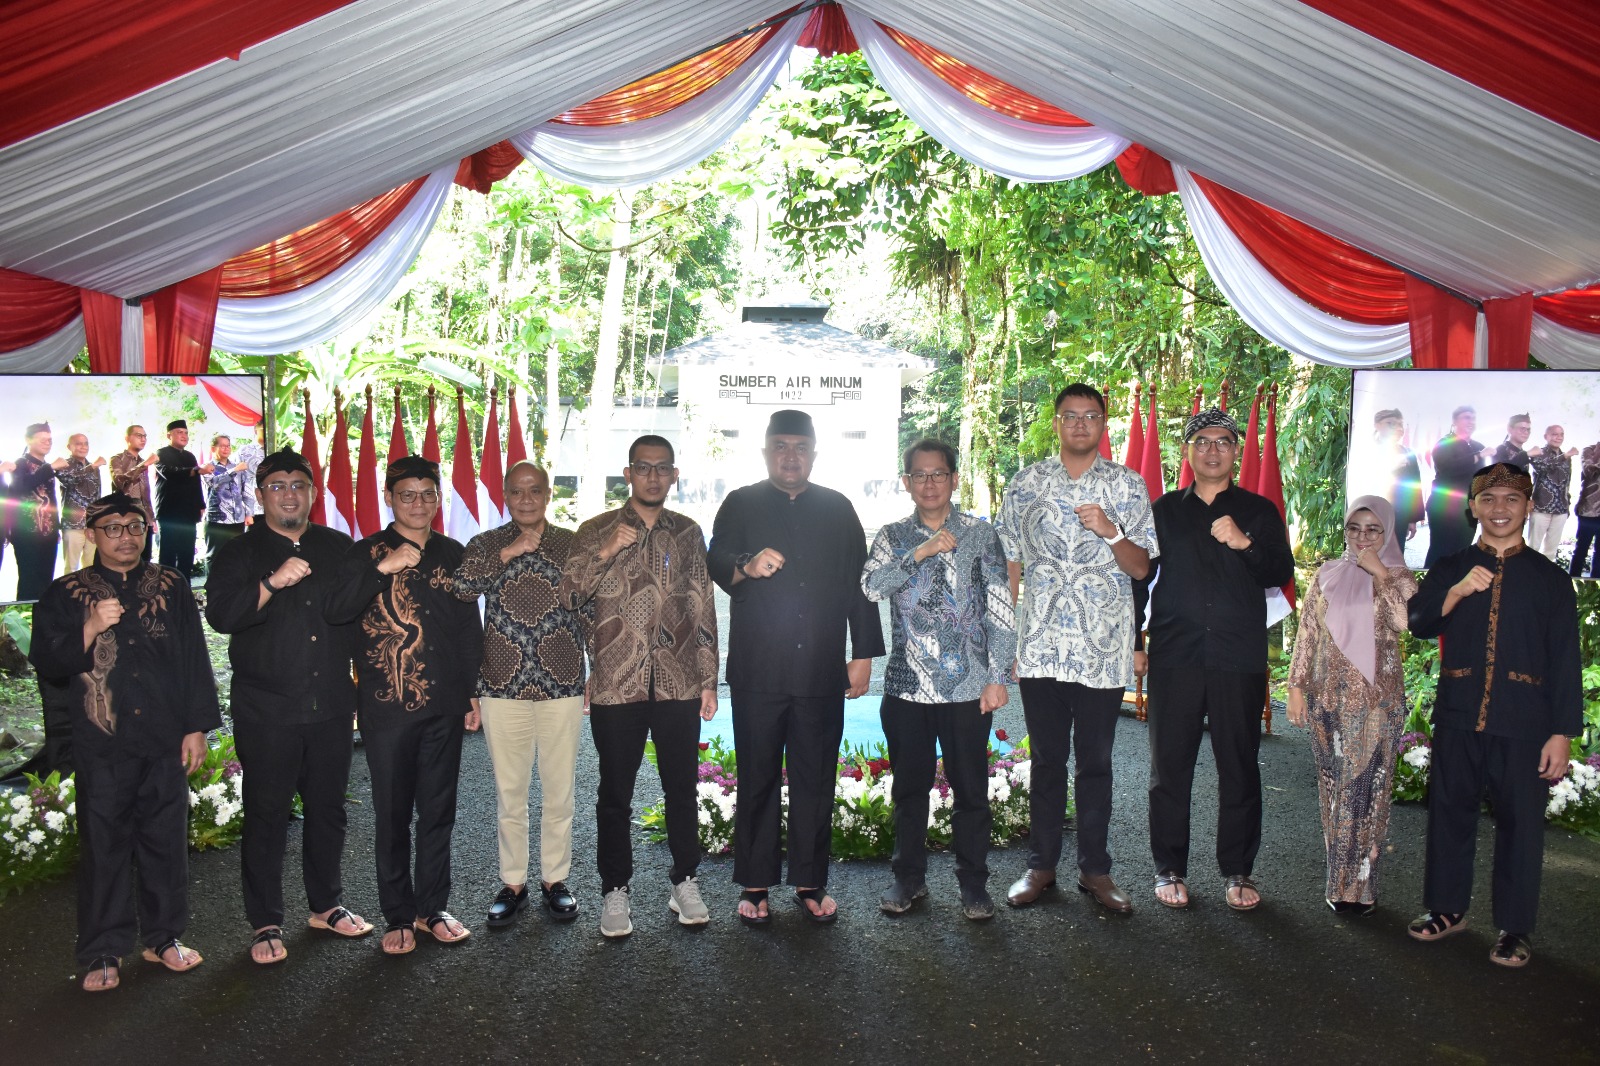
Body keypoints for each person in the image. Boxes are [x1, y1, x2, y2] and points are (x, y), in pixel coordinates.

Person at [29, 493, 221, 992]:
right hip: (103, 742)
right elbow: (48, 663)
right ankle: (103, 948)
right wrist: (92, 625)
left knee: (166, 840)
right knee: (104, 845)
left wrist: (196, 727)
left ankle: (164, 937)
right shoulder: (65, 593)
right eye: (112, 528)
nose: (126, 537)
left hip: (163, 737)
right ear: (91, 534)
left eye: (134, 526)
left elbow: (193, 658)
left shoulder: (171, 585)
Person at [707, 409, 885, 925]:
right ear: (765, 452)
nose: (791, 456)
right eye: (781, 446)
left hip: (820, 669)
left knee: (815, 776)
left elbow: (860, 584)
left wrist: (862, 655)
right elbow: (715, 557)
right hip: (758, 669)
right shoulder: (740, 502)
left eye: (800, 447)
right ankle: (756, 881)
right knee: (757, 774)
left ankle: (810, 880)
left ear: (814, 453)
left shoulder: (838, 508)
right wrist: (745, 565)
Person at [1405, 463, 1581, 969]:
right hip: (1459, 712)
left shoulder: (1551, 580)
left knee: (1521, 824)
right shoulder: (1450, 566)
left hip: (1525, 721)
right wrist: (1457, 590)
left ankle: (1514, 927)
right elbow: (1418, 622)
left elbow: (1565, 660)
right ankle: (1446, 909)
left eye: (1511, 499)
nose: (1499, 508)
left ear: (1529, 507)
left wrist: (1562, 732)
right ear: (1472, 507)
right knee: (1449, 812)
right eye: (1489, 499)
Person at [205, 448, 372, 966]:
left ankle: (326, 905)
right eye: (277, 486)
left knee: (328, 810)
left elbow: (360, 619)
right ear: (260, 495)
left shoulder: (338, 547)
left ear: (313, 493)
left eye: (298, 485)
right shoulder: (238, 552)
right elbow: (222, 617)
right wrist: (271, 583)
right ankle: (265, 921)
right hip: (266, 709)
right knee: (267, 814)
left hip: (330, 705)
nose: (289, 495)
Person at [996, 385, 1155, 916]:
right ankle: (1040, 867)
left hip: (1101, 648)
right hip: (1040, 644)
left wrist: (1111, 532)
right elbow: (1009, 562)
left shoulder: (1127, 485)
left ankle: (1095, 870)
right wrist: (1009, 639)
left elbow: (1141, 568)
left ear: (1104, 423)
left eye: (1090, 415)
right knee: (1046, 760)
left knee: (1096, 764)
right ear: (1056, 422)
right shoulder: (1026, 483)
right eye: (1070, 415)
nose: (1080, 424)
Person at [1135, 408, 1294, 911]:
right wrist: (1135, 641)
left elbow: (1280, 571)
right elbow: (1138, 579)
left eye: (1223, 441)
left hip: (1236, 656)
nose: (1212, 450)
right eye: (1201, 441)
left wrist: (1244, 543)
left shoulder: (1259, 510)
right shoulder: (1163, 511)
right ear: (1187, 451)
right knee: (1169, 767)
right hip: (1175, 654)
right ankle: (1169, 868)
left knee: (1239, 765)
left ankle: (1238, 869)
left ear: (1236, 451)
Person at [559, 436, 719, 937]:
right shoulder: (594, 530)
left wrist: (709, 680)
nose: (653, 477)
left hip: (679, 682)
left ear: (674, 475)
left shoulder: (688, 532)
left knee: (681, 788)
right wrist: (607, 551)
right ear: (627, 474)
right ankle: (615, 889)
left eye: (662, 468)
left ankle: (685, 881)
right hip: (615, 684)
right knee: (615, 792)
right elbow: (569, 597)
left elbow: (703, 606)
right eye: (643, 468)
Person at [327, 455, 483, 955]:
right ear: (389, 498)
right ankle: (397, 914)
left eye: (428, 494)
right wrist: (383, 569)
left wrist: (472, 693)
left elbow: (467, 628)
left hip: (445, 704)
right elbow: (336, 609)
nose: (419, 504)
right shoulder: (364, 552)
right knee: (392, 814)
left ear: (438, 499)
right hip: (387, 705)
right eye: (407, 495)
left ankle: (431, 908)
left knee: (438, 810)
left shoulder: (453, 553)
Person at [863, 438, 1015, 920]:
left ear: (953, 478)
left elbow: (1000, 606)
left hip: (968, 688)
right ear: (906, 482)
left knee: (971, 792)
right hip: (906, 686)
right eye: (920, 475)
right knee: (909, 791)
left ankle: (974, 885)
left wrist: (998, 676)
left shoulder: (980, 534)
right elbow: (870, 587)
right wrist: (920, 552)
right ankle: (908, 879)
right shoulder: (891, 536)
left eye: (939, 474)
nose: (929, 483)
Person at [452, 461, 587, 928]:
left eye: (535, 490)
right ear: (505, 496)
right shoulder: (485, 543)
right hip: (501, 683)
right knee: (510, 793)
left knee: (559, 791)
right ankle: (513, 883)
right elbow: (461, 590)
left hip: (561, 683)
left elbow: (590, 608)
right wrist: (507, 554)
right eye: (516, 492)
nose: (526, 499)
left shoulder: (573, 544)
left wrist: (594, 673)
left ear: (548, 494)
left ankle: (555, 880)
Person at [1285, 496, 1417, 914]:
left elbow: (1406, 622)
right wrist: (1295, 687)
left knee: (1365, 792)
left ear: (1387, 532)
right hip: (1327, 699)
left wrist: (1379, 572)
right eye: (1354, 528)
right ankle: (1339, 882)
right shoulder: (1328, 573)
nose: (1362, 537)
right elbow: (1308, 632)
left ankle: (1358, 887)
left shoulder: (1399, 576)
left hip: (1376, 703)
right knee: (1333, 790)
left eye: (1373, 529)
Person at [1425, 406, 1490, 568]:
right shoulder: (1444, 443)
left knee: (1462, 553)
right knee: (1440, 551)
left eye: (1473, 418)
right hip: (1444, 506)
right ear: (1454, 421)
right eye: (1466, 417)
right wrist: (1479, 456)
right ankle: (1430, 583)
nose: (1471, 421)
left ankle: (1456, 584)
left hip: (1469, 508)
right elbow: (1448, 468)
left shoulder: (1478, 446)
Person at [9, 423, 68, 599]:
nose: (47, 443)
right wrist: (50, 468)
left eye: (49, 440)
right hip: (26, 533)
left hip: (49, 534)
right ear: (28, 440)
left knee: (46, 582)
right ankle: (25, 615)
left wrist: (56, 528)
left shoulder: (46, 466)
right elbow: (19, 489)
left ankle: (43, 615)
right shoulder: (20, 463)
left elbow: (51, 501)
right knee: (29, 582)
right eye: (42, 439)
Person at [154, 420, 208, 579]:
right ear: (168, 435)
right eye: (179, 432)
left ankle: (184, 587)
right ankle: (166, 587)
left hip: (188, 512)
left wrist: (201, 505)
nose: (184, 436)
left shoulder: (190, 456)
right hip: (169, 511)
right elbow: (170, 473)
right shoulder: (161, 453)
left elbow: (196, 483)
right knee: (168, 553)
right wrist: (195, 470)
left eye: (186, 433)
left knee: (187, 553)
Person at [57, 433, 106, 573]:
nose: (83, 447)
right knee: (71, 568)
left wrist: (97, 522)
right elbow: (70, 480)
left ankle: (88, 588)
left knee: (91, 567)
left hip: (92, 525)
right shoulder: (64, 465)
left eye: (86, 443)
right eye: (78, 443)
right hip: (73, 524)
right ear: (69, 447)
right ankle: (69, 588)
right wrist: (93, 466)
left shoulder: (94, 468)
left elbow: (97, 496)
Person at [1527, 425, 1576, 561]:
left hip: (1561, 509)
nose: (1558, 437)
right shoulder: (1538, 453)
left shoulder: (1567, 457)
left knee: (1551, 551)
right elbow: (1543, 467)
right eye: (1554, 434)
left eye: (1561, 434)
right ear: (1546, 436)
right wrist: (1564, 456)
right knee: (1533, 548)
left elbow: (1567, 483)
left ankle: (1547, 574)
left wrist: (1567, 506)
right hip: (1540, 507)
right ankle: (1528, 573)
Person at [108, 425, 157, 563]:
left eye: (145, 436)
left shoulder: (143, 461)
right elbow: (120, 482)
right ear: (127, 438)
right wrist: (144, 465)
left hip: (145, 519)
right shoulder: (117, 459)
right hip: (126, 518)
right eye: (139, 435)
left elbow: (145, 495)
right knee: (127, 560)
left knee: (145, 560)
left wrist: (151, 518)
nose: (143, 439)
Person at [1373, 409, 1423, 539]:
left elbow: (1414, 488)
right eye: (1390, 423)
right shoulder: (1368, 451)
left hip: (1400, 517)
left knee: (1397, 549)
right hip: (1373, 515)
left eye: (1400, 424)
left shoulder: (1408, 453)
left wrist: (1412, 519)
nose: (1398, 428)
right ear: (1377, 425)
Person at [202, 433, 251, 560]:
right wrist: (234, 470)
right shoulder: (207, 467)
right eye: (222, 446)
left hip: (237, 519)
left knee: (237, 555)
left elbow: (246, 492)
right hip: (217, 519)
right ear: (213, 448)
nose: (226, 449)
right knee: (214, 556)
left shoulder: (238, 467)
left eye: (228, 446)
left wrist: (249, 513)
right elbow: (213, 482)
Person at [1570, 439, 1600, 578]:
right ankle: (1572, 581)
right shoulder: (1589, 450)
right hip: (1588, 511)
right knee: (1581, 550)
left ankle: (1595, 584)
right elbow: (1589, 471)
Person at [237, 421, 267, 521]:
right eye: (263, 429)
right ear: (256, 431)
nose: (266, 432)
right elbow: (236, 476)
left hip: (272, 503)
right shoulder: (244, 451)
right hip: (251, 505)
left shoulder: (276, 450)